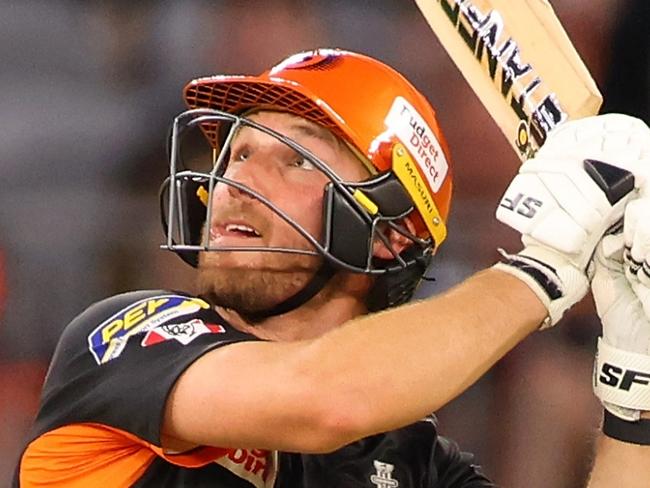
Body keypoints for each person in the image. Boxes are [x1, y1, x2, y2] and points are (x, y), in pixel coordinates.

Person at [14, 48, 650, 487]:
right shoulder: (129, 337)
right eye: (236, 151)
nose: (234, 180)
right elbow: (326, 399)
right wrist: (543, 268)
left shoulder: (413, 463)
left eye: (293, 158)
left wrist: (635, 382)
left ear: (391, 231)